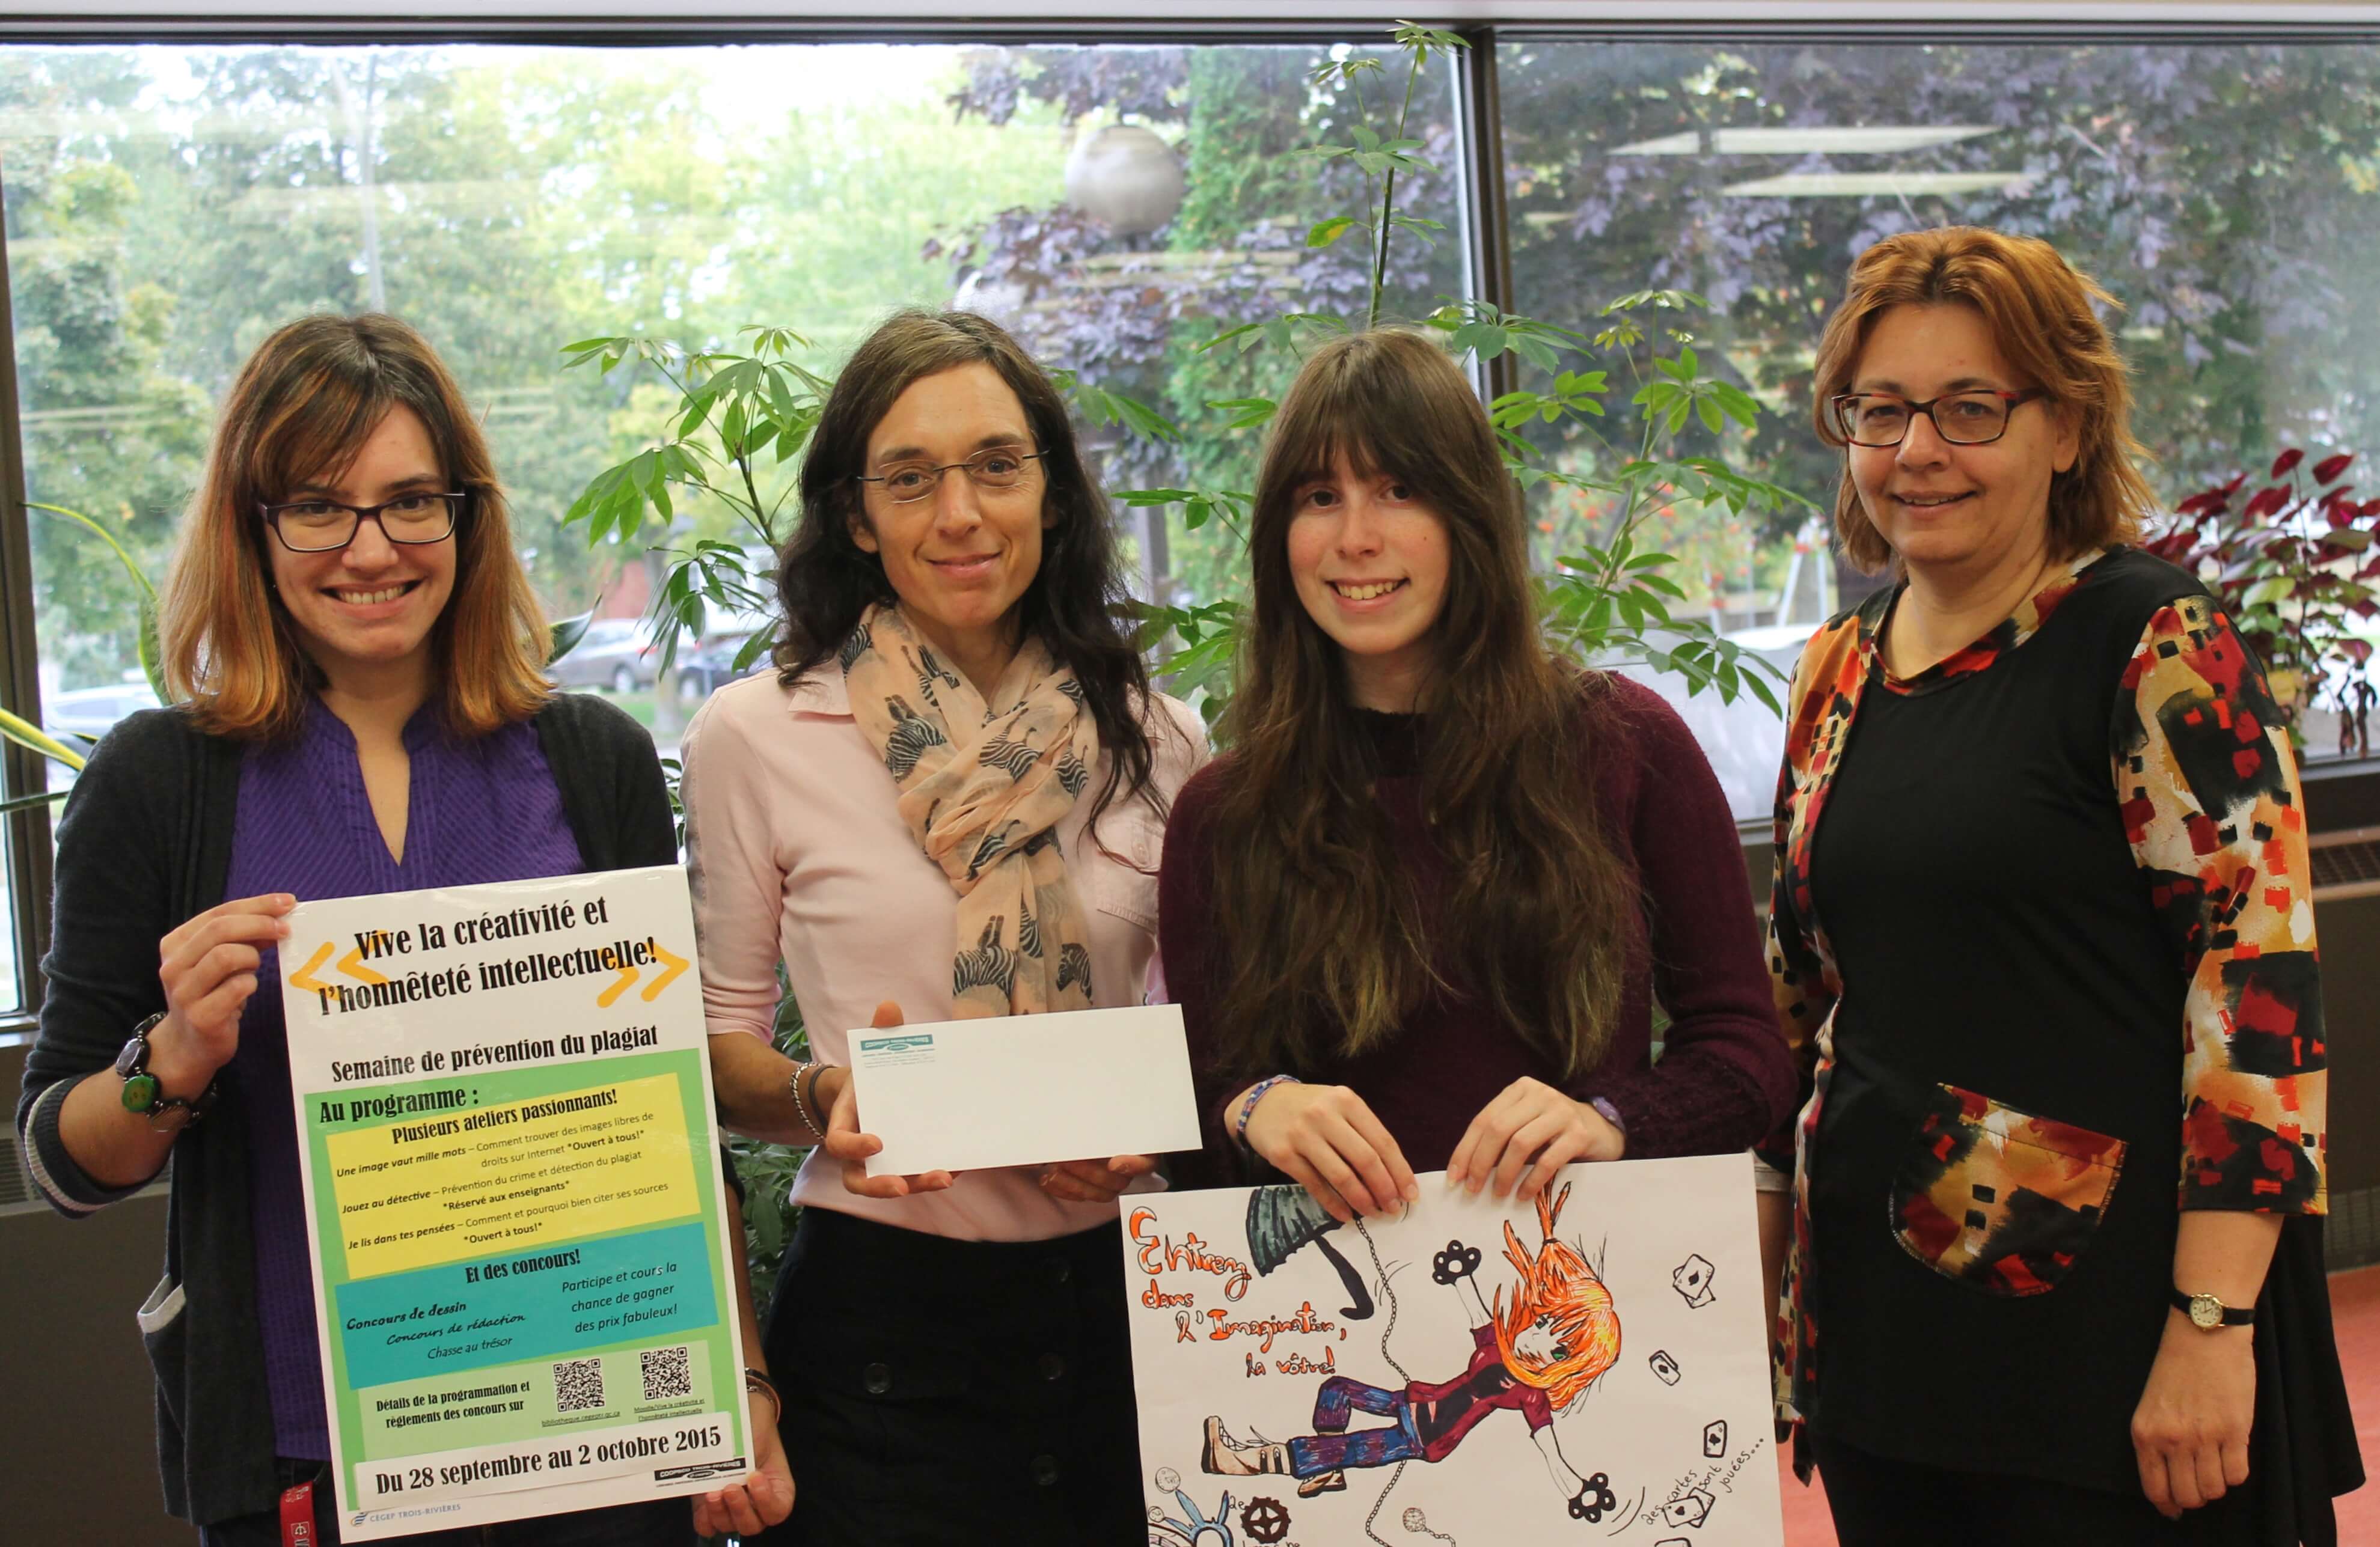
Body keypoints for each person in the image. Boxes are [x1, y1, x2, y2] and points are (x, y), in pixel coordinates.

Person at [12, 314, 791, 1546]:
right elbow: (57, 1161)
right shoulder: (163, 779)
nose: (371, 548)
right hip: (311, 1465)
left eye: (410, 501)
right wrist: (171, 1064)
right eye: (318, 506)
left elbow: (670, 1115)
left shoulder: (590, 759)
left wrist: (738, 1385)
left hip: (592, 1431)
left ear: (466, 517)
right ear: (250, 527)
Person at [1761, 225, 2361, 1545]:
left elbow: (2254, 1004)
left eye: (1968, 407)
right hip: (1879, 1330)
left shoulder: (2151, 647)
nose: (1914, 451)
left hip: (2109, 1342)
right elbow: (1801, 1012)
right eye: (1877, 411)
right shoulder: (1834, 671)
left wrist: (2209, 1327)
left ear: (2065, 426)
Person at [682, 308, 1205, 1546]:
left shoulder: (1163, 739)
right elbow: (705, 1055)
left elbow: (1209, 1035)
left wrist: (1144, 1132)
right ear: (856, 516)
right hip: (881, 1336)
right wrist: (819, 1098)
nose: (958, 513)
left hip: (1128, 1312)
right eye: (909, 479)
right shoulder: (756, 736)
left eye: (993, 466)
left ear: (1051, 493)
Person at [1157, 328, 1796, 1254]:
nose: (1355, 537)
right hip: (1323, 1329)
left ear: (1470, 515)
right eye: (1318, 496)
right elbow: (1198, 1121)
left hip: (1584, 1298)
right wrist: (1254, 1106)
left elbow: (1747, 1056)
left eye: (1398, 490)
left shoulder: (1622, 744)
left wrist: (1612, 1118)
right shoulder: (1224, 812)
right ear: (1278, 534)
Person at [1199, 1183, 1623, 1518]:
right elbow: (1475, 1312)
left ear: (1569, 1362)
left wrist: (1577, 1488)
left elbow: (1549, 1449)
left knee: (1341, 1449)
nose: (1537, 1333)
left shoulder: (1530, 1395)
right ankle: (1326, 1472)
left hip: (1423, 1437)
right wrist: (1460, 1275)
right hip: (1413, 1401)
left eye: (1559, 1346)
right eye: (1545, 1321)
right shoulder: (1499, 1345)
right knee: (1337, 1389)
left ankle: (1243, 1462)